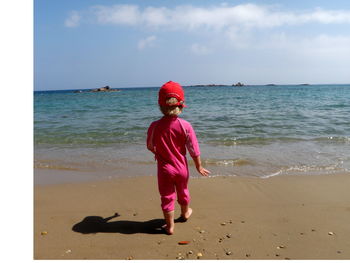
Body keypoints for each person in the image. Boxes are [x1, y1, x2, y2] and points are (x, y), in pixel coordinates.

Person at [146, 81, 210, 235]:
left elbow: (149, 145)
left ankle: (169, 227)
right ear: (181, 105)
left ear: (160, 106)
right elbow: (194, 149)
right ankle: (185, 213)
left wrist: (157, 152)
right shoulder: (185, 126)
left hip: (164, 170)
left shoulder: (154, 126)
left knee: (167, 197)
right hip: (181, 169)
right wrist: (198, 166)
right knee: (183, 191)